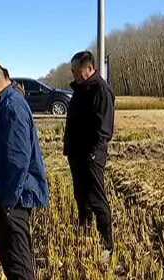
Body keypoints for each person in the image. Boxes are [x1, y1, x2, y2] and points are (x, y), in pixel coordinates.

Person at [0, 57, 50, 280]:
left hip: (12, 200)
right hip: (5, 197)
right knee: (12, 260)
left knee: (19, 265)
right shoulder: (3, 103)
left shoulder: (12, 106)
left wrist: (7, 202)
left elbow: (18, 160)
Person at [64, 51, 115, 262]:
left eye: (77, 70)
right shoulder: (80, 89)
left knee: (96, 198)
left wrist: (93, 154)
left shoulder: (100, 90)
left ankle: (107, 245)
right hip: (76, 153)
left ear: (90, 68)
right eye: (73, 70)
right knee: (81, 196)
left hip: (91, 155)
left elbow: (104, 129)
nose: (74, 74)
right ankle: (84, 232)